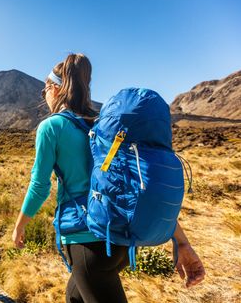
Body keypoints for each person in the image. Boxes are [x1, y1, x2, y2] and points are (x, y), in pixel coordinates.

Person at [12, 54, 205, 302]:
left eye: (44, 90)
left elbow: (39, 186)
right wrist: (183, 243)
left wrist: (19, 226)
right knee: (74, 296)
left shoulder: (51, 127)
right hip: (118, 241)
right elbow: (135, 186)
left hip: (86, 244)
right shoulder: (101, 126)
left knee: (87, 282)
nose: (44, 96)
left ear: (56, 88)